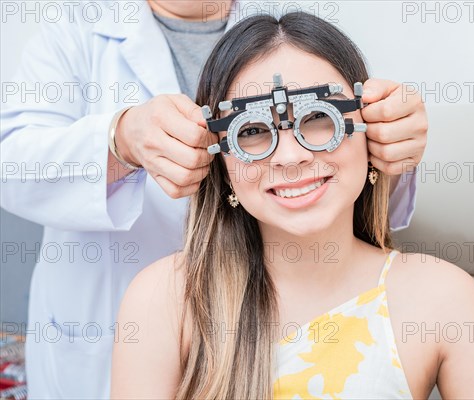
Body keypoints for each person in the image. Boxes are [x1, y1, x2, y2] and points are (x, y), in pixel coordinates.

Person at [0, 1, 425, 398]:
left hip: (269, 323)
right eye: (256, 132)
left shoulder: (287, 24)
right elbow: (11, 166)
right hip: (117, 323)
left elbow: (335, 179)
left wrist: (394, 144)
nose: (289, 153)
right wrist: (121, 139)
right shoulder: (73, 33)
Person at [111, 12, 474, 400]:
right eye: (252, 130)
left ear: (372, 129)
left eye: (318, 117)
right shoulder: (163, 300)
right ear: (221, 158)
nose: (290, 157)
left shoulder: (441, 295)